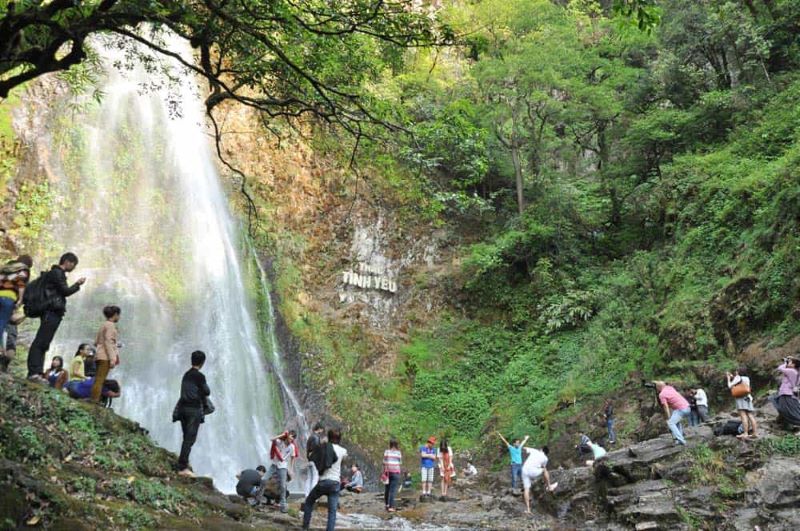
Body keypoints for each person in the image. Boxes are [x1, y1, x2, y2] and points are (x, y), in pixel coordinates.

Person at [27, 252, 85, 381]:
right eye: (73, 265)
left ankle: (37, 372)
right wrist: (77, 284)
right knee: (40, 342)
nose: (73, 268)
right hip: (51, 311)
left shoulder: (56, 273)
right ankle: (33, 372)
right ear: (68, 262)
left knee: (44, 342)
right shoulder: (57, 273)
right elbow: (65, 291)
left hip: (52, 311)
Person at [174, 350, 210, 477]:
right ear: (202, 362)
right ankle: (182, 467)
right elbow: (207, 391)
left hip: (182, 409)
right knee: (190, 438)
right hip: (193, 410)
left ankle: (184, 462)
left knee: (186, 437)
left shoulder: (186, 374)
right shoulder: (199, 376)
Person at [303, 428, 347, 531]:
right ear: (339, 438)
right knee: (332, 511)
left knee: (309, 502)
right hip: (335, 483)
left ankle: (305, 527)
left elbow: (312, 456)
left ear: (329, 437)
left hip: (323, 481)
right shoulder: (343, 451)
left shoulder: (324, 448)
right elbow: (342, 463)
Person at [0, 255, 32, 372]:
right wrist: (20, 302)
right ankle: (4, 364)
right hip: (10, 305)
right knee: (10, 342)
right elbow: (22, 288)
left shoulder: (5, 269)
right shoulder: (23, 273)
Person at [91, 305, 121, 403]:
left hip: (99, 354)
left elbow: (96, 342)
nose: (119, 317)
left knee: (98, 379)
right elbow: (108, 341)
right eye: (118, 315)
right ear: (115, 314)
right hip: (105, 357)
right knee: (100, 380)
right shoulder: (111, 325)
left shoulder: (104, 325)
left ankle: (94, 399)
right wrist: (113, 358)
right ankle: (95, 400)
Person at [521, 445, 557, 514]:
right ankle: (549, 486)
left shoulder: (534, 451)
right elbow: (543, 466)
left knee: (526, 489)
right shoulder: (545, 458)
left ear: (541, 449)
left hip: (524, 469)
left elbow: (524, 448)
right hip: (532, 471)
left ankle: (528, 509)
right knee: (544, 470)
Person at [269, 430, 297, 513]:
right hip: (274, 465)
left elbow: (292, 458)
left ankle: (282, 505)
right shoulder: (280, 442)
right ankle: (261, 499)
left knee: (283, 486)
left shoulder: (292, 446)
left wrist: (291, 470)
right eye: (289, 435)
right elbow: (272, 439)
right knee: (268, 481)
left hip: (283, 466)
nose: (290, 437)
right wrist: (282, 435)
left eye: (292, 437)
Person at [655, 381, 691, 445]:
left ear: (658, 387)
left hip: (681, 409)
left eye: (656, 387)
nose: (656, 388)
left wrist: (668, 417)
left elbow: (665, 407)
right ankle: (678, 439)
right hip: (687, 407)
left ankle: (681, 440)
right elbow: (662, 384)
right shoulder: (670, 388)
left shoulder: (661, 395)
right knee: (676, 422)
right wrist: (656, 382)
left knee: (671, 423)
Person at [726, 368, 758, 439]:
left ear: (738, 372)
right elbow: (739, 381)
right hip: (748, 397)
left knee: (743, 415)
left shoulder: (738, 377)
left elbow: (730, 386)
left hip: (741, 398)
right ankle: (755, 433)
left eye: (736, 371)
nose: (735, 372)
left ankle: (745, 433)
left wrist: (728, 379)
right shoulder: (746, 378)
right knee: (750, 415)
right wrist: (733, 377)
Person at [771, 357, 800, 428]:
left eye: (790, 362)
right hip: (788, 393)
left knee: (789, 410)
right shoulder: (797, 371)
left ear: (793, 365)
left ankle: (792, 423)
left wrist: (785, 362)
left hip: (787, 393)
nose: (788, 363)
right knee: (786, 409)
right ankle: (782, 423)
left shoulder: (792, 371)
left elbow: (780, 368)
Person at [305, 422, 325, 500]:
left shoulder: (310, 437)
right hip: (315, 461)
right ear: (319, 429)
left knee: (309, 478)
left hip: (310, 460)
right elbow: (316, 448)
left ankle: (307, 495)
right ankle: (313, 496)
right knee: (315, 478)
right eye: (322, 430)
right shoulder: (316, 437)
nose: (322, 432)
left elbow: (309, 449)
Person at [382, 439, 402, 512]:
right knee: (392, 490)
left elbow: (384, 462)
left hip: (387, 472)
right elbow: (400, 462)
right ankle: (391, 507)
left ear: (390, 444)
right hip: (396, 472)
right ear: (396, 445)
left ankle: (387, 504)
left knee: (387, 489)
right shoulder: (398, 453)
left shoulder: (386, 452)